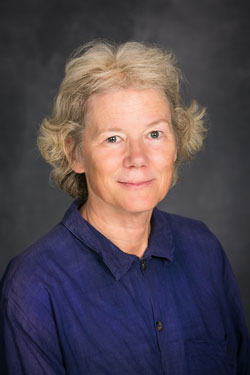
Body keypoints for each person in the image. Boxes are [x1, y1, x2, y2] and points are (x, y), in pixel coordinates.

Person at [0, 40, 249, 375]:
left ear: (177, 142)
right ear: (75, 153)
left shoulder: (204, 250)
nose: (138, 159)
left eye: (154, 134)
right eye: (113, 138)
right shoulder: (33, 286)